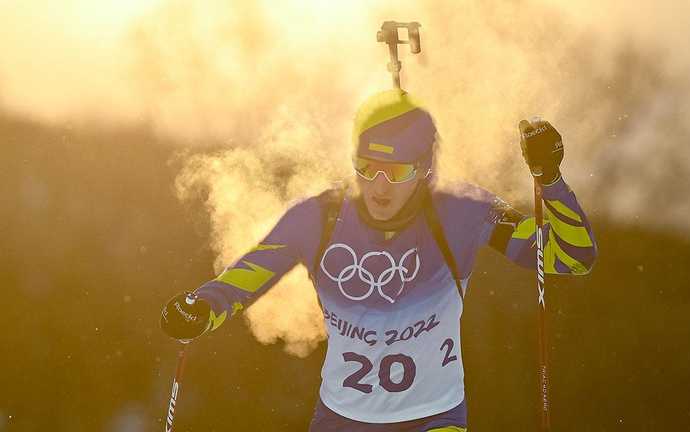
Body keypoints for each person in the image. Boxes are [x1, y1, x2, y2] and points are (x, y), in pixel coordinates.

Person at [160, 89, 597, 431]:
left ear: (427, 168)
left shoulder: (463, 211)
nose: (380, 187)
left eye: (400, 171)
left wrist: (550, 180)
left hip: (434, 417)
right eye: (367, 167)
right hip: (343, 420)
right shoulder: (319, 217)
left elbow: (572, 257)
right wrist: (200, 310)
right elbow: (243, 280)